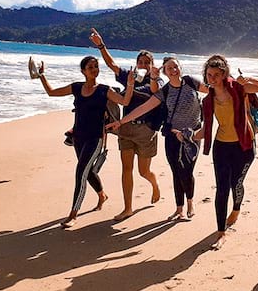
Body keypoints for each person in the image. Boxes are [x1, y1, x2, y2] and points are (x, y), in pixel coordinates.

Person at [36, 56, 135, 228]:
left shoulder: (105, 90)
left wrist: (131, 83)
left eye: (96, 66)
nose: (94, 69)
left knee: (80, 172)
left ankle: (73, 214)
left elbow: (125, 101)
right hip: (78, 137)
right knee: (87, 172)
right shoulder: (76, 87)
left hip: (96, 138)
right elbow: (52, 92)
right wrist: (41, 76)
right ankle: (102, 195)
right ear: (83, 70)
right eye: (90, 67)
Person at [108, 56, 208, 221]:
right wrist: (121, 121)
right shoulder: (165, 91)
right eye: (169, 68)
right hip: (172, 136)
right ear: (166, 72)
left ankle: (190, 202)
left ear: (180, 67)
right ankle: (179, 209)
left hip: (192, 135)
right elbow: (143, 108)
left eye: (175, 66)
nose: (173, 70)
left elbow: (214, 91)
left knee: (187, 170)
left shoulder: (191, 82)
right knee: (176, 171)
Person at [194, 55, 258, 250]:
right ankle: (221, 232)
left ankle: (236, 208)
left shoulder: (239, 89)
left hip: (243, 145)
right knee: (221, 189)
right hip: (221, 146)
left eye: (217, 75)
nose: (212, 79)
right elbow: (207, 128)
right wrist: (188, 136)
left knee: (236, 183)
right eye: (209, 75)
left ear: (224, 75)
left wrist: (248, 80)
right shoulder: (208, 99)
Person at [89, 28, 163, 221]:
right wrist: (101, 45)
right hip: (126, 129)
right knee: (126, 169)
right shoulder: (130, 76)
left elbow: (155, 90)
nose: (144, 65)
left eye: (148, 63)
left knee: (143, 171)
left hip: (146, 131)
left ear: (153, 65)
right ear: (137, 63)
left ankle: (154, 184)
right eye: (141, 62)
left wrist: (152, 77)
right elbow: (112, 65)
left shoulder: (156, 81)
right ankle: (128, 208)